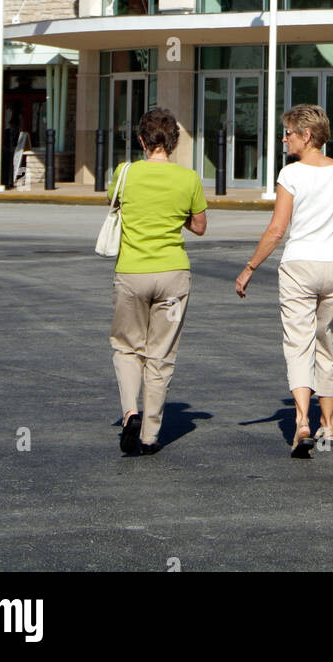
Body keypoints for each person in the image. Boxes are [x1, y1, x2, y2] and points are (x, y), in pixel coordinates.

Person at [234, 103, 333, 456]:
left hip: (300, 266)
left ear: (307, 136)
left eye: (288, 133)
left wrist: (250, 267)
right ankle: (329, 426)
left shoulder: (291, 174)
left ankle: (301, 422)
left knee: (299, 343)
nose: (284, 140)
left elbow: (277, 229)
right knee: (328, 343)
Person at [108, 107, 207, 456]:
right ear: (175, 142)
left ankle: (129, 412)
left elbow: (114, 203)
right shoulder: (189, 179)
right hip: (173, 275)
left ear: (141, 140)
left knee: (126, 346)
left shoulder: (124, 173)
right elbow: (199, 226)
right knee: (160, 355)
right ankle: (150, 434)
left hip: (132, 273)